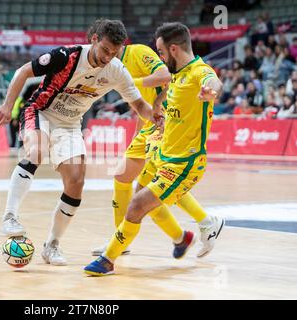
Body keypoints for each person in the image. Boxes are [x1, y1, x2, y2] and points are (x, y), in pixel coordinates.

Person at [0, 19, 161, 266]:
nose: (108, 57)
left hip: (70, 124)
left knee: (76, 181)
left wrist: (156, 117)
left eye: (114, 52)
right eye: (105, 50)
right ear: (94, 39)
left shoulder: (116, 70)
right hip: (40, 111)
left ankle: (52, 245)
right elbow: (23, 71)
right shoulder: (67, 55)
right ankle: (9, 216)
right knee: (36, 151)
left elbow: (138, 106)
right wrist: (8, 105)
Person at [85, 22, 223, 276]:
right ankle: (182, 237)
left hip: (184, 161)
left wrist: (211, 90)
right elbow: (164, 95)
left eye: (160, 52)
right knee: (138, 198)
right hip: (163, 154)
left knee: (138, 204)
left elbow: (212, 79)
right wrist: (157, 111)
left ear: (172, 49)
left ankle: (108, 259)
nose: (159, 57)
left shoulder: (198, 72)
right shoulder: (179, 75)